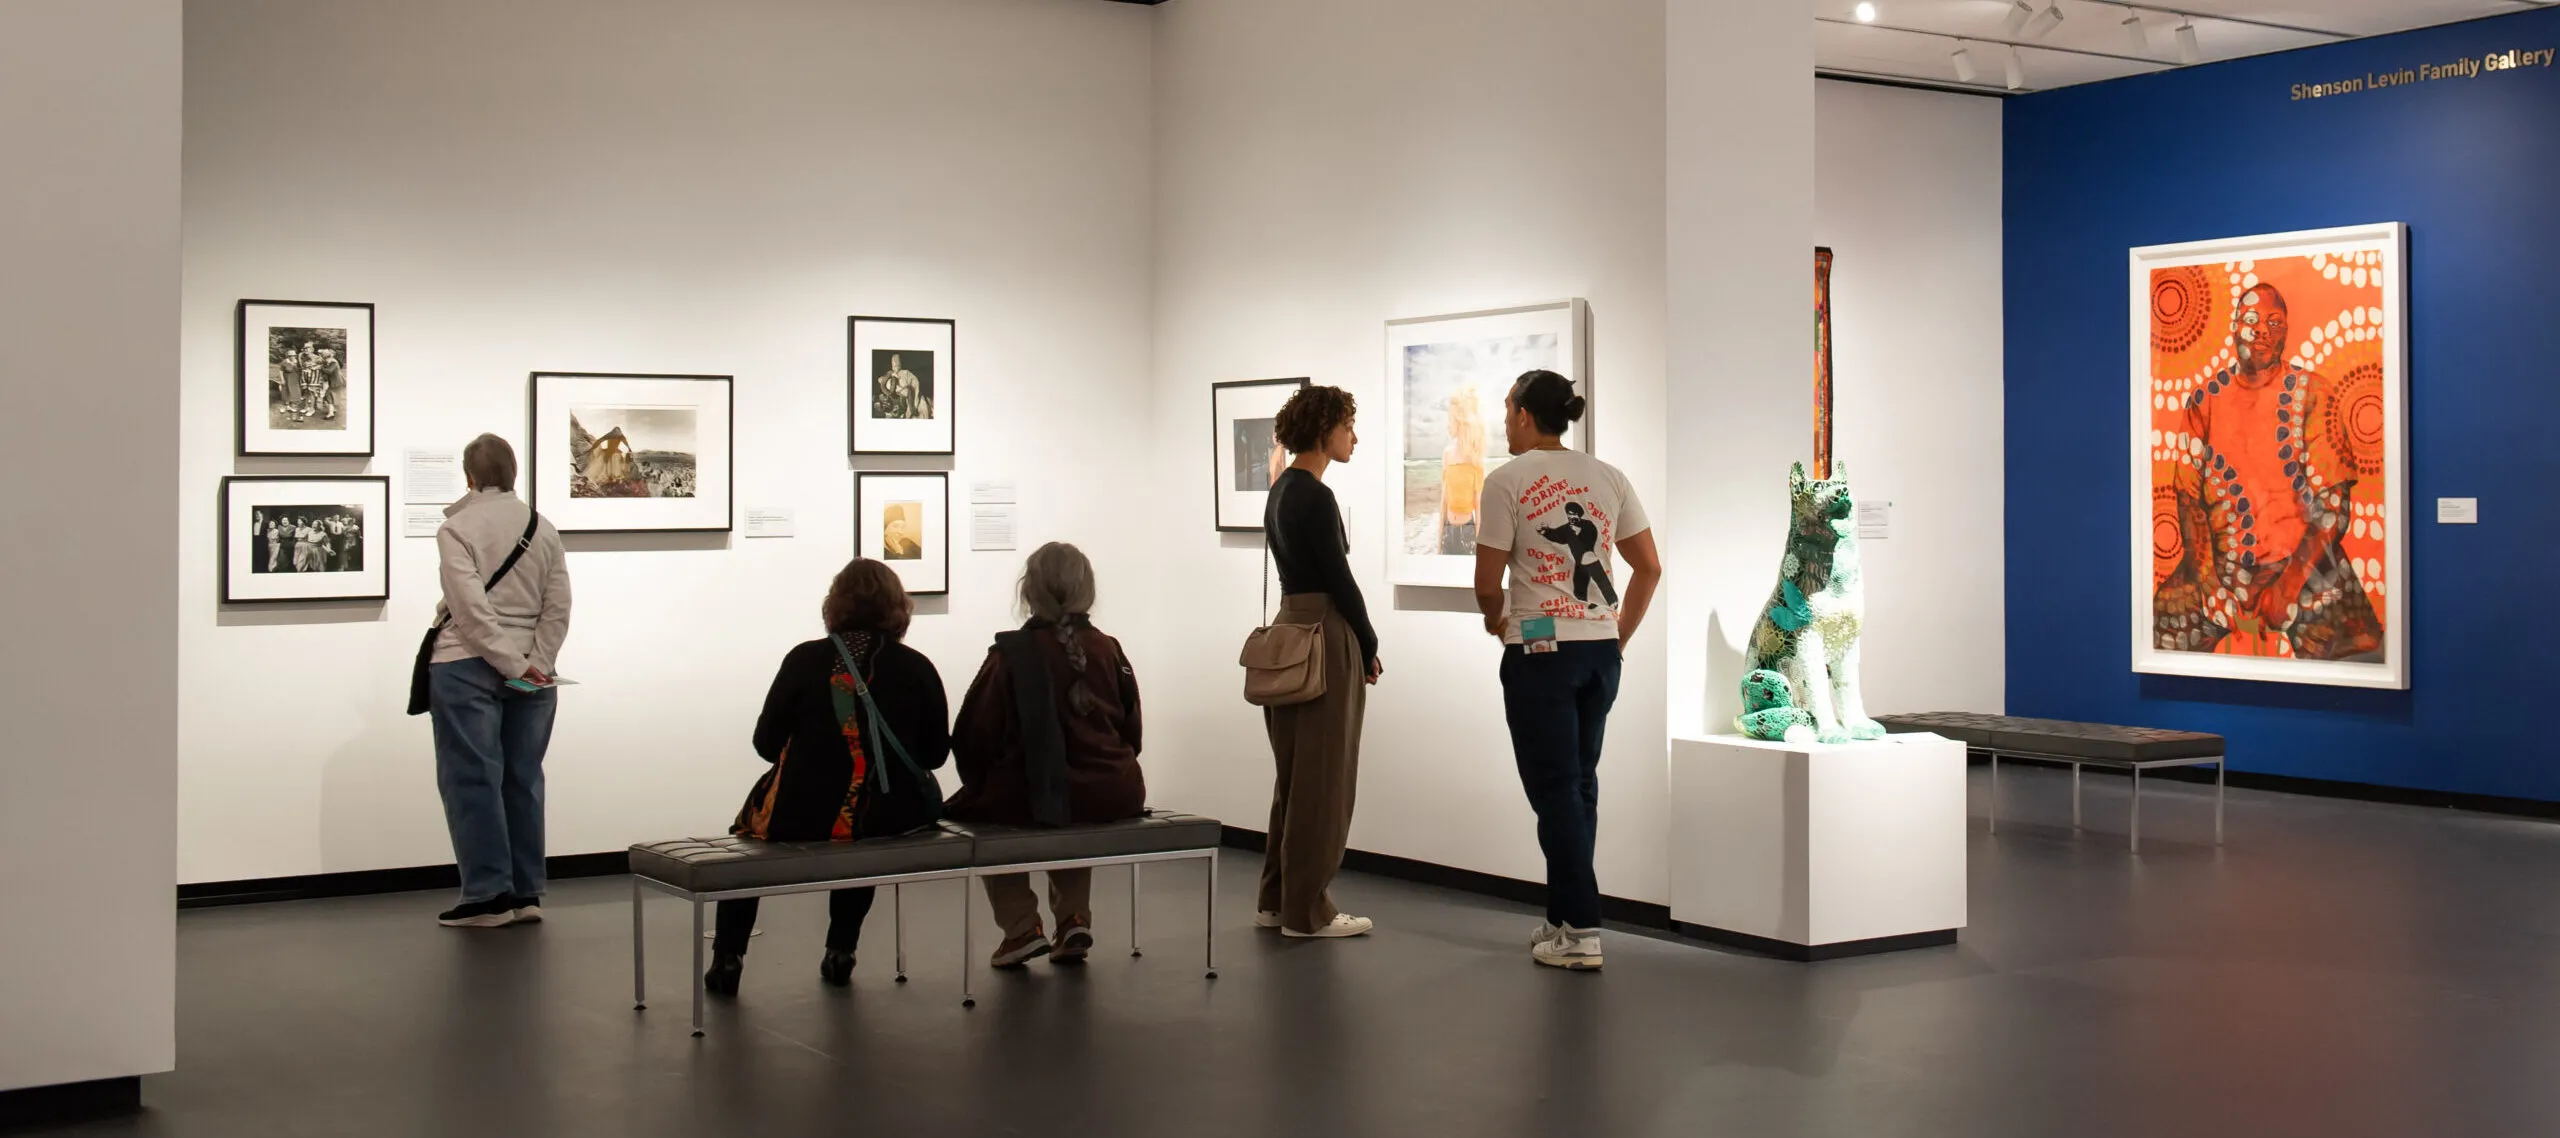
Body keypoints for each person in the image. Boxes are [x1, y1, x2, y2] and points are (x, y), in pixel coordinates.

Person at [1473, 369, 1660, 971]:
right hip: (1600, 652)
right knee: (1580, 784)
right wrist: (1617, 636)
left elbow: (1486, 582)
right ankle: (1560, 917)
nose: (1504, 421)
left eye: (1507, 410)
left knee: (1553, 789)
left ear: (1526, 415)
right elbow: (1648, 567)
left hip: (1540, 653)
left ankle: (1581, 930)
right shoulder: (1608, 476)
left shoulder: (1506, 481)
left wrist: (1496, 622)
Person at [709, 558, 950, 993]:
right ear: (898, 607)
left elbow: (765, 744)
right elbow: (934, 755)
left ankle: (729, 956)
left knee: (744, 842)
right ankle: (841, 949)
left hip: (799, 813)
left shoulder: (804, 659)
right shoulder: (916, 666)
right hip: (888, 815)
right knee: (862, 839)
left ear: (835, 605)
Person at [2155, 281, 2380, 660]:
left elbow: (2333, 506)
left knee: (2363, 661)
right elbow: (2188, 500)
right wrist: (2209, 583)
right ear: (2234, 328)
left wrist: (2289, 587)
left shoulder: (2314, 393)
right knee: (2157, 639)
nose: (2262, 330)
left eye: (2274, 323)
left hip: (2306, 565)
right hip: (2219, 571)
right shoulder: (2204, 401)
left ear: (2287, 333)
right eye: (2252, 320)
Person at [948, 543, 1147, 967]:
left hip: (1039, 792)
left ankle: (1021, 928)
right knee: (1072, 803)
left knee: (992, 814)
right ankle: (1073, 917)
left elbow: (974, 735)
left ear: (1029, 590)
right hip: (1115, 790)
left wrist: (981, 775)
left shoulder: (1011, 655)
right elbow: (1133, 731)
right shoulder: (1109, 649)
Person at [427, 434, 572, 929]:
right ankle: (526, 892)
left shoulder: (457, 528)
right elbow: (558, 606)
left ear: (469, 476)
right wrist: (537, 662)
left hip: (466, 664)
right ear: (514, 472)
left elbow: (469, 610)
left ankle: (488, 896)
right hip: (534, 669)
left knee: (472, 778)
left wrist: (510, 663)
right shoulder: (543, 527)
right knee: (523, 777)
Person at [1257, 384, 1379, 939]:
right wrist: (1369, 642)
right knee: (1325, 781)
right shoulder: (1315, 494)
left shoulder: (1281, 489)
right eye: (1348, 425)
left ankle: (1276, 899)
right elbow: (1340, 581)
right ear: (1325, 427)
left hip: (1289, 631)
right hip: (1325, 635)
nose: (1353, 437)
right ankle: (1308, 914)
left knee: (1294, 777)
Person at [1440, 386, 1487, 554]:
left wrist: (1481, 550)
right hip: (1448, 531)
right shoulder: (1447, 455)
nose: (1447, 425)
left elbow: (1479, 511)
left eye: (1450, 419)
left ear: (1460, 421)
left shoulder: (1475, 461)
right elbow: (1443, 503)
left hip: (1468, 533)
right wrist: (1438, 546)